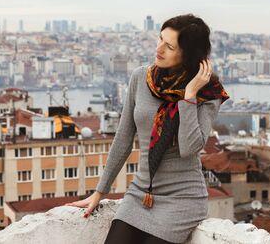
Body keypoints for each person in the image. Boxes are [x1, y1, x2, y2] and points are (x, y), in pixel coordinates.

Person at [65, 13, 230, 244]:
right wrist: (99, 192)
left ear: (188, 55)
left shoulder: (207, 92)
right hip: (140, 194)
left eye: (169, 46)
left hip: (182, 201)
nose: (159, 48)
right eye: (160, 39)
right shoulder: (141, 77)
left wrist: (189, 96)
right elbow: (123, 138)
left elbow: (189, 148)